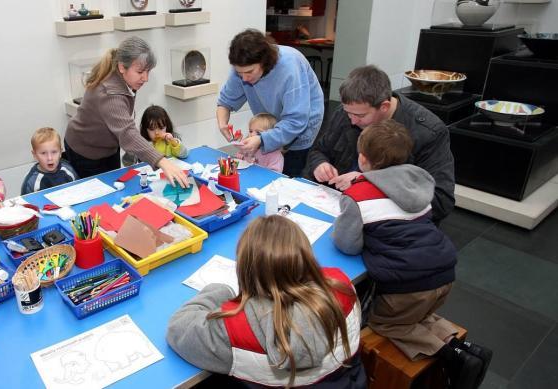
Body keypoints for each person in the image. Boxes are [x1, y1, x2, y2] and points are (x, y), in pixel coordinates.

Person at [331, 120, 491, 389]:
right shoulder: (418, 182)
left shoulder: (358, 194)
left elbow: (347, 244)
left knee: (386, 324)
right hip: (444, 273)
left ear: (362, 158)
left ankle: (453, 357)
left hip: (407, 286)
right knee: (420, 317)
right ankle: (468, 348)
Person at [167, 216, 365, 387]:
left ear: (244, 269)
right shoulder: (342, 285)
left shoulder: (234, 331)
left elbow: (178, 329)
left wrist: (222, 290)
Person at [305, 65, 455, 223]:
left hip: (388, 224)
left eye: (360, 115)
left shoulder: (428, 132)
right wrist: (320, 164)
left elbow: (441, 201)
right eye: (348, 112)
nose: (352, 120)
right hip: (334, 207)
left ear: (384, 107)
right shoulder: (350, 111)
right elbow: (318, 151)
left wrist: (370, 182)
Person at [65, 36, 189, 188]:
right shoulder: (110, 93)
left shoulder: (124, 77)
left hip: (108, 147)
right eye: (140, 71)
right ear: (122, 67)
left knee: (115, 187)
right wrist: (162, 162)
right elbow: (127, 132)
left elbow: (123, 124)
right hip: (85, 150)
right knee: (101, 192)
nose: (145, 78)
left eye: (148, 71)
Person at [217, 29, 324, 177]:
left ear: (264, 62)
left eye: (249, 72)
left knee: (289, 173)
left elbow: (296, 121)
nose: (244, 79)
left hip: (300, 127)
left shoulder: (290, 67)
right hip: (269, 125)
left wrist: (262, 139)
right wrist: (222, 123)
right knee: (262, 169)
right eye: (240, 73)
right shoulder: (243, 67)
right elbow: (225, 101)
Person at [122, 105, 189, 166]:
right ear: (145, 129)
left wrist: (173, 142)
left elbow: (184, 155)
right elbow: (127, 164)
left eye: (161, 128)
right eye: (152, 129)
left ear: (167, 126)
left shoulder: (173, 138)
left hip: (170, 171)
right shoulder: (141, 143)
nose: (157, 133)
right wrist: (131, 151)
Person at [22, 127, 78, 195]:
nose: (50, 158)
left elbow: (78, 191)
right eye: (43, 153)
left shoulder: (68, 170)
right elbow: (25, 201)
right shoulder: (31, 181)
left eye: (54, 152)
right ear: (35, 155)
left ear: (60, 152)